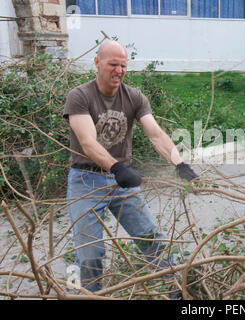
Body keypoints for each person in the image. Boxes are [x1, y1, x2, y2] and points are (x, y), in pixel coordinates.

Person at [63, 40, 197, 295]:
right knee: (90, 252)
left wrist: (179, 163)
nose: (119, 70)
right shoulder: (79, 96)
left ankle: (178, 290)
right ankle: (93, 295)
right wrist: (116, 167)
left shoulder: (134, 96)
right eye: (113, 64)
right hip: (86, 180)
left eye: (123, 65)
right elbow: (88, 142)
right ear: (97, 63)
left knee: (150, 237)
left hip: (121, 181)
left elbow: (155, 134)